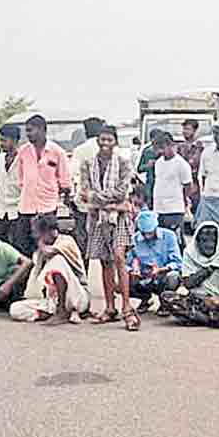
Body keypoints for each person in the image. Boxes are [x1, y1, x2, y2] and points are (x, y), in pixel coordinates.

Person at [79, 125, 138, 331]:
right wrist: (107, 202)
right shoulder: (88, 163)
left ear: (115, 142)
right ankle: (110, 307)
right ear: (98, 141)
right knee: (105, 262)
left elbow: (122, 191)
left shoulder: (123, 162)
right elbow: (84, 192)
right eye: (102, 140)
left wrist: (97, 199)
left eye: (109, 140)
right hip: (99, 218)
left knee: (119, 258)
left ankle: (127, 308)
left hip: (118, 218)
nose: (105, 144)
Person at [159, 221, 219, 329]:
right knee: (167, 297)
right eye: (204, 240)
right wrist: (209, 269)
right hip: (197, 300)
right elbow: (188, 283)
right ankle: (214, 320)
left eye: (213, 241)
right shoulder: (190, 252)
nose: (209, 244)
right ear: (197, 241)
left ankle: (199, 318)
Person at [8, 215, 90, 324]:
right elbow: (37, 275)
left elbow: (50, 252)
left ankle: (62, 311)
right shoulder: (41, 249)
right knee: (15, 309)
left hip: (77, 296)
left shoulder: (66, 240)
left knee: (57, 260)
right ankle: (50, 313)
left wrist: (40, 243)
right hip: (52, 299)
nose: (35, 236)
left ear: (48, 231)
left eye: (37, 232)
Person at [16, 115, 71, 253]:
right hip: (26, 207)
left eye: (31, 130)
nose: (28, 134)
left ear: (42, 130)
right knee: (23, 244)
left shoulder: (57, 152)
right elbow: (20, 179)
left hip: (47, 207)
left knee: (47, 245)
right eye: (26, 131)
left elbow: (64, 182)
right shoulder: (23, 151)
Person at [127, 210, 182, 314]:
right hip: (143, 277)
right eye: (144, 233)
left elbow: (178, 262)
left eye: (150, 232)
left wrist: (161, 269)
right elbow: (127, 263)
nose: (147, 236)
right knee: (125, 278)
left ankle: (165, 303)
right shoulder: (134, 239)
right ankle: (145, 299)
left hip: (162, 275)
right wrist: (133, 270)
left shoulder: (169, 236)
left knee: (173, 276)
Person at [0, 125, 27, 254]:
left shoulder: (24, 159)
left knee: (17, 245)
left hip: (17, 210)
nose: (2, 144)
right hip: (0, 210)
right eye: (1, 140)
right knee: (0, 244)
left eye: (4, 140)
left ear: (15, 141)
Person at [69, 117, 105, 256]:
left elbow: (73, 174)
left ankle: (85, 262)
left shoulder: (80, 150)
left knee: (83, 235)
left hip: (85, 203)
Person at [152, 133, 193, 242]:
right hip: (159, 209)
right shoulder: (158, 163)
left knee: (175, 240)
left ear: (170, 145)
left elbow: (188, 185)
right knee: (160, 240)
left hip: (174, 209)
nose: (160, 152)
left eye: (162, 148)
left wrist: (184, 200)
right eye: (157, 149)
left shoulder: (181, 164)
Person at [176, 119, 206, 220]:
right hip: (181, 183)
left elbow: (195, 163)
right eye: (184, 129)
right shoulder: (180, 147)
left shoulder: (199, 147)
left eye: (188, 129)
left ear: (195, 131)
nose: (185, 131)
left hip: (195, 184)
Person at [136, 128, 165, 202]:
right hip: (150, 184)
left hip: (163, 184)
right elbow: (139, 169)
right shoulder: (147, 151)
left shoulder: (166, 150)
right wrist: (147, 166)